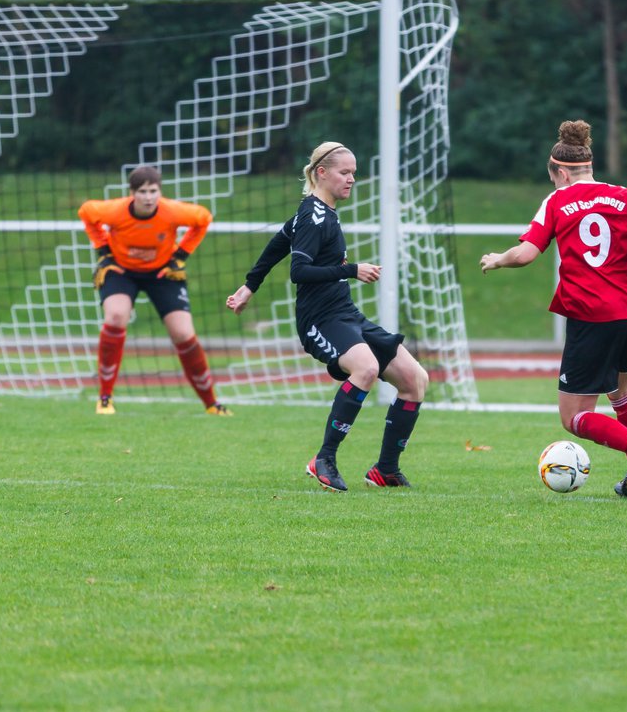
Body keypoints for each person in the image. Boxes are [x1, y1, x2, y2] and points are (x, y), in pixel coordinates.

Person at [480, 120, 627, 499]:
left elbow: (527, 254)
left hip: (592, 315)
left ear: (560, 172)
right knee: (621, 393)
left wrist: (499, 259)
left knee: (573, 417)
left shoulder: (557, 201)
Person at [225, 141, 428, 493]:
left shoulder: (318, 212)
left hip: (345, 313)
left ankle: (386, 469)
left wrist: (249, 286)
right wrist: (351, 269)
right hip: (319, 318)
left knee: (415, 379)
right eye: (344, 173)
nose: (351, 180)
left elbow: (278, 241)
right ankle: (324, 459)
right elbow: (299, 271)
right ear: (321, 173)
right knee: (364, 369)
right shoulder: (314, 215)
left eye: (354, 173)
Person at [78, 165, 231, 417]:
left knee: (183, 332)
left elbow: (203, 219)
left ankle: (211, 404)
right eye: (142, 192)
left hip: (162, 273)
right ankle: (104, 398)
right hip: (121, 271)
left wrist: (180, 256)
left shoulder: (172, 211)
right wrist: (104, 251)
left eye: (153, 191)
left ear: (159, 191)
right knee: (116, 316)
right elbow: (86, 213)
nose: (148, 197)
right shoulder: (114, 211)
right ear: (132, 193)